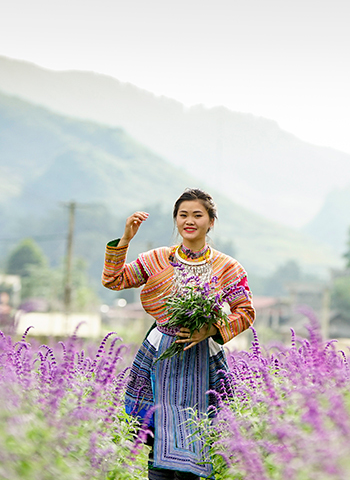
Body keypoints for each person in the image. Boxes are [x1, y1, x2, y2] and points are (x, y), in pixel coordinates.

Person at [102, 188, 254, 479]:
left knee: (197, 432)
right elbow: (113, 279)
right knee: (157, 432)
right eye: (183, 215)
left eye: (198, 215)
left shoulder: (227, 267)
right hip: (159, 354)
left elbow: (245, 312)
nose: (189, 221)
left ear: (211, 222)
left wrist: (210, 329)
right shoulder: (158, 259)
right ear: (176, 220)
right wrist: (126, 240)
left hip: (203, 358)